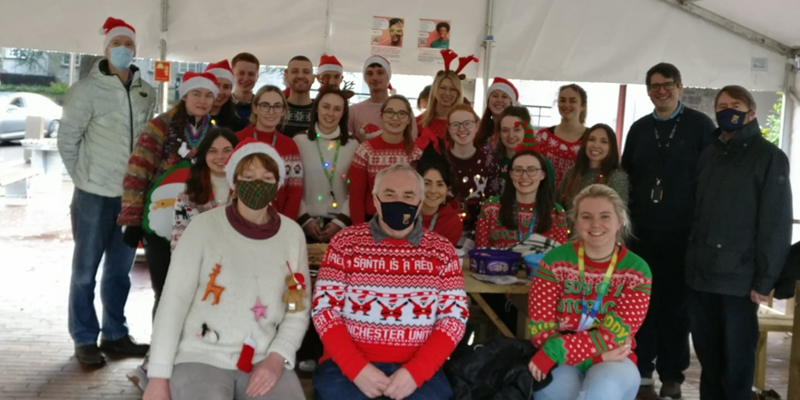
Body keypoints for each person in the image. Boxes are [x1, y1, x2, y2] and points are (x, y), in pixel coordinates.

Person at [142, 139, 309, 400]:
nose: (258, 183)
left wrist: (278, 357)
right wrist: (158, 376)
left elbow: (297, 309)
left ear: (277, 185)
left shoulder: (291, 235)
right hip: (200, 355)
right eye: (249, 176)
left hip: (263, 356)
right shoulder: (202, 227)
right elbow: (173, 302)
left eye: (267, 177)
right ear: (234, 181)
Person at [312, 163, 468, 400]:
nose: (399, 202)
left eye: (408, 196)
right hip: (346, 368)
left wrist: (415, 373)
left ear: (420, 202)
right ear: (375, 200)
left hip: (417, 370)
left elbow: (454, 319)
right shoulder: (345, 244)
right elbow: (324, 310)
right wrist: (357, 369)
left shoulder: (442, 251)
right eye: (389, 194)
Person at [57, 16, 155, 366]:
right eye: (117, 44)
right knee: (85, 271)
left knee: (119, 271)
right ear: (105, 49)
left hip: (130, 198)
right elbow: (67, 141)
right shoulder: (86, 90)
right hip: (93, 196)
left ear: (135, 50)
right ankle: (84, 338)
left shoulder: (147, 91)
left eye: (129, 45)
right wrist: (84, 179)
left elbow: (148, 141)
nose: (124, 50)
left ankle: (115, 334)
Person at [686, 86, 792, 400]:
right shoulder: (711, 152)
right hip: (701, 276)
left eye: (735, 105)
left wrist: (765, 279)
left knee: (737, 363)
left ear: (751, 112)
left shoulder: (769, 157)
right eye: (721, 106)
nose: (727, 110)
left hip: (739, 280)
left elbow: (776, 224)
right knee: (709, 358)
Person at [621, 62, 716, 400]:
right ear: (648, 91)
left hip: (682, 234)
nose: (662, 90)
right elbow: (626, 178)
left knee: (677, 307)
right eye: (655, 85)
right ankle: (641, 367)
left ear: (679, 87)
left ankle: (672, 374)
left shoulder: (700, 125)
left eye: (668, 84)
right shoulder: (639, 129)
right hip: (642, 233)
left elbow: (711, 179)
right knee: (641, 303)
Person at [528, 184, 652, 400]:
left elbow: (614, 335)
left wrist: (558, 349)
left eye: (605, 216)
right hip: (566, 358)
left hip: (613, 359)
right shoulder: (554, 262)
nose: (596, 224)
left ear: (619, 221)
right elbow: (540, 330)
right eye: (586, 217)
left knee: (603, 390)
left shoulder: (637, 271)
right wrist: (594, 358)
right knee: (554, 391)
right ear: (575, 221)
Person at [118, 71, 219, 315]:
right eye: (196, 93)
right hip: (159, 222)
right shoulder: (160, 126)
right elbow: (137, 170)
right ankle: (159, 349)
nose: (202, 100)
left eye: (208, 95)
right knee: (164, 291)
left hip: (199, 222)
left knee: (196, 291)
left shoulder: (216, 132)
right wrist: (131, 220)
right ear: (185, 95)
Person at [294, 84, 359, 243]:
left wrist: (341, 221)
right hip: (304, 224)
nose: (330, 113)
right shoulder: (298, 141)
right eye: (326, 107)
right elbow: (292, 186)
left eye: (337, 109)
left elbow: (357, 189)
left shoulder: (354, 144)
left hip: (341, 225)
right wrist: (305, 220)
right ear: (316, 108)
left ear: (343, 113)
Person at [349, 95, 423, 225]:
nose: (395, 118)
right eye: (390, 112)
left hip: (406, 222)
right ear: (381, 116)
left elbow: (419, 195)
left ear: (408, 120)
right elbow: (356, 196)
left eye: (401, 113)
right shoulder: (365, 151)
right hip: (371, 221)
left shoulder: (416, 153)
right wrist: (359, 229)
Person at [475, 150, 568, 250]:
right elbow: (480, 253)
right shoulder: (490, 208)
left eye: (532, 170)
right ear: (510, 174)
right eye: (518, 170)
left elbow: (559, 258)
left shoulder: (556, 212)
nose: (524, 176)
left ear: (543, 175)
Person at [236, 85, 303, 220]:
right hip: (240, 219)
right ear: (255, 108)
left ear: (283, 111)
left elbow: (294, 191)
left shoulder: (289, 145)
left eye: (277, 106)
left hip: (277, 221)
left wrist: (285, 223)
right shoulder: (237, 139)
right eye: (265, 106)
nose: (271, 112)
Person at [171, 128, 239, 250]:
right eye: (213, 151)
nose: (220, 157)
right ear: (204, 154)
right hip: (200, 264)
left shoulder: (249, 190)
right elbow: (178, 244)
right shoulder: (188, 195)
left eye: (227, 150)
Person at [444, 104, 498, 247]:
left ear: (476, 126)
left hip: (476, 237)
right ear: (449, 129)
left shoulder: (489, 162)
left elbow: (490, 206)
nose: (462, 129)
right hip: (441, 233)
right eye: (456, 124)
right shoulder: (440, 160)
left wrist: (472, 240)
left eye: (467, 123)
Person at [558, 124, 629, 214]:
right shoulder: (572, 172)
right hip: (566, 227)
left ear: (611, 147)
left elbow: (618, 216)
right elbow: (558, 207)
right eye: (591, 139)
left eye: (604, 141)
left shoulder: (616, 176)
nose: (596, 145)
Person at [533, 84, 588, 188]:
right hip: (546, 198)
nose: (566, 105)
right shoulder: (543, 137)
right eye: (562, 100)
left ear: (583, 106)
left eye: (572, 101)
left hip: (578, 200)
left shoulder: (591, 138)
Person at [417, 50, 477, 140]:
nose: (447, 93)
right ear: (435, 89)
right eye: (443, 88)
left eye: (452, 89)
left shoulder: (469, 125)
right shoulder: (418, 122)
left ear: (458, 93)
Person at [416, 141, 463, 246]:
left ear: (448, 188)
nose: (433, 190)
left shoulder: (452, 223)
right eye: (427, 183)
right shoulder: (404, 213)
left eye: (440, 184)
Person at [348, 56, 404, 142]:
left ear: (388, 76)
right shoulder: (353, 111)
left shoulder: (402, 110)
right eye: (370, 73)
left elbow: (411, 144)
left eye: (380, 72)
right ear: (365, 78)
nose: (375, 77)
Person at [492, 106, 532, 192]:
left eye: (517, 130)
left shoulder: (541, 164)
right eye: (505, 130)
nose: (511, 135)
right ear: (499, 133)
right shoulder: (491, 161)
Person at [475, 77, 518, 152]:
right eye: (495, 96)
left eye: (504, 96)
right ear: (488, 101)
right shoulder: (477, 128)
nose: (499, 100)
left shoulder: (519, 131)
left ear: (511, 103)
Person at [279, 55, 315, 137]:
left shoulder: (321, 111)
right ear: (287, 76)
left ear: (313, 78)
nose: (300, 76)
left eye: (306, 72)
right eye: (295, 71)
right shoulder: (276, 109)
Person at [206, 60, 246, 131]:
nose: (220, 92)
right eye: (216, 85)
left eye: (226, 87)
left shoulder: (237, 124)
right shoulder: (187, 120)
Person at [231, 52, 260, 125]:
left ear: (257, 77)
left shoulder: (262, 107)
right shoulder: (221, 105)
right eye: (241, 73)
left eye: (251, 74)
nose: (246, 78)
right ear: (231, 74)